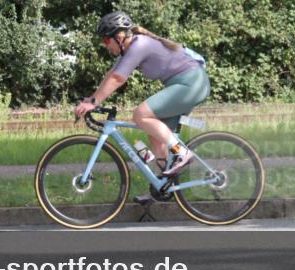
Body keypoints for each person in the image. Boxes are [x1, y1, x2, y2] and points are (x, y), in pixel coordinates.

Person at [72, 11, 210, 177]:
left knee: (140, 114)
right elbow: (111, 74)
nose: (105, 45)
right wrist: (91, 99)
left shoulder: (139, 45)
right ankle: (162, 184)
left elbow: (118, 78)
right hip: (185, 84)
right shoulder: (130, 49)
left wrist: (94, 103)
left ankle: (182, 152)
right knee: (155, 137)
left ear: (119, 37)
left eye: (107, 40)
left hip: (191, 83)